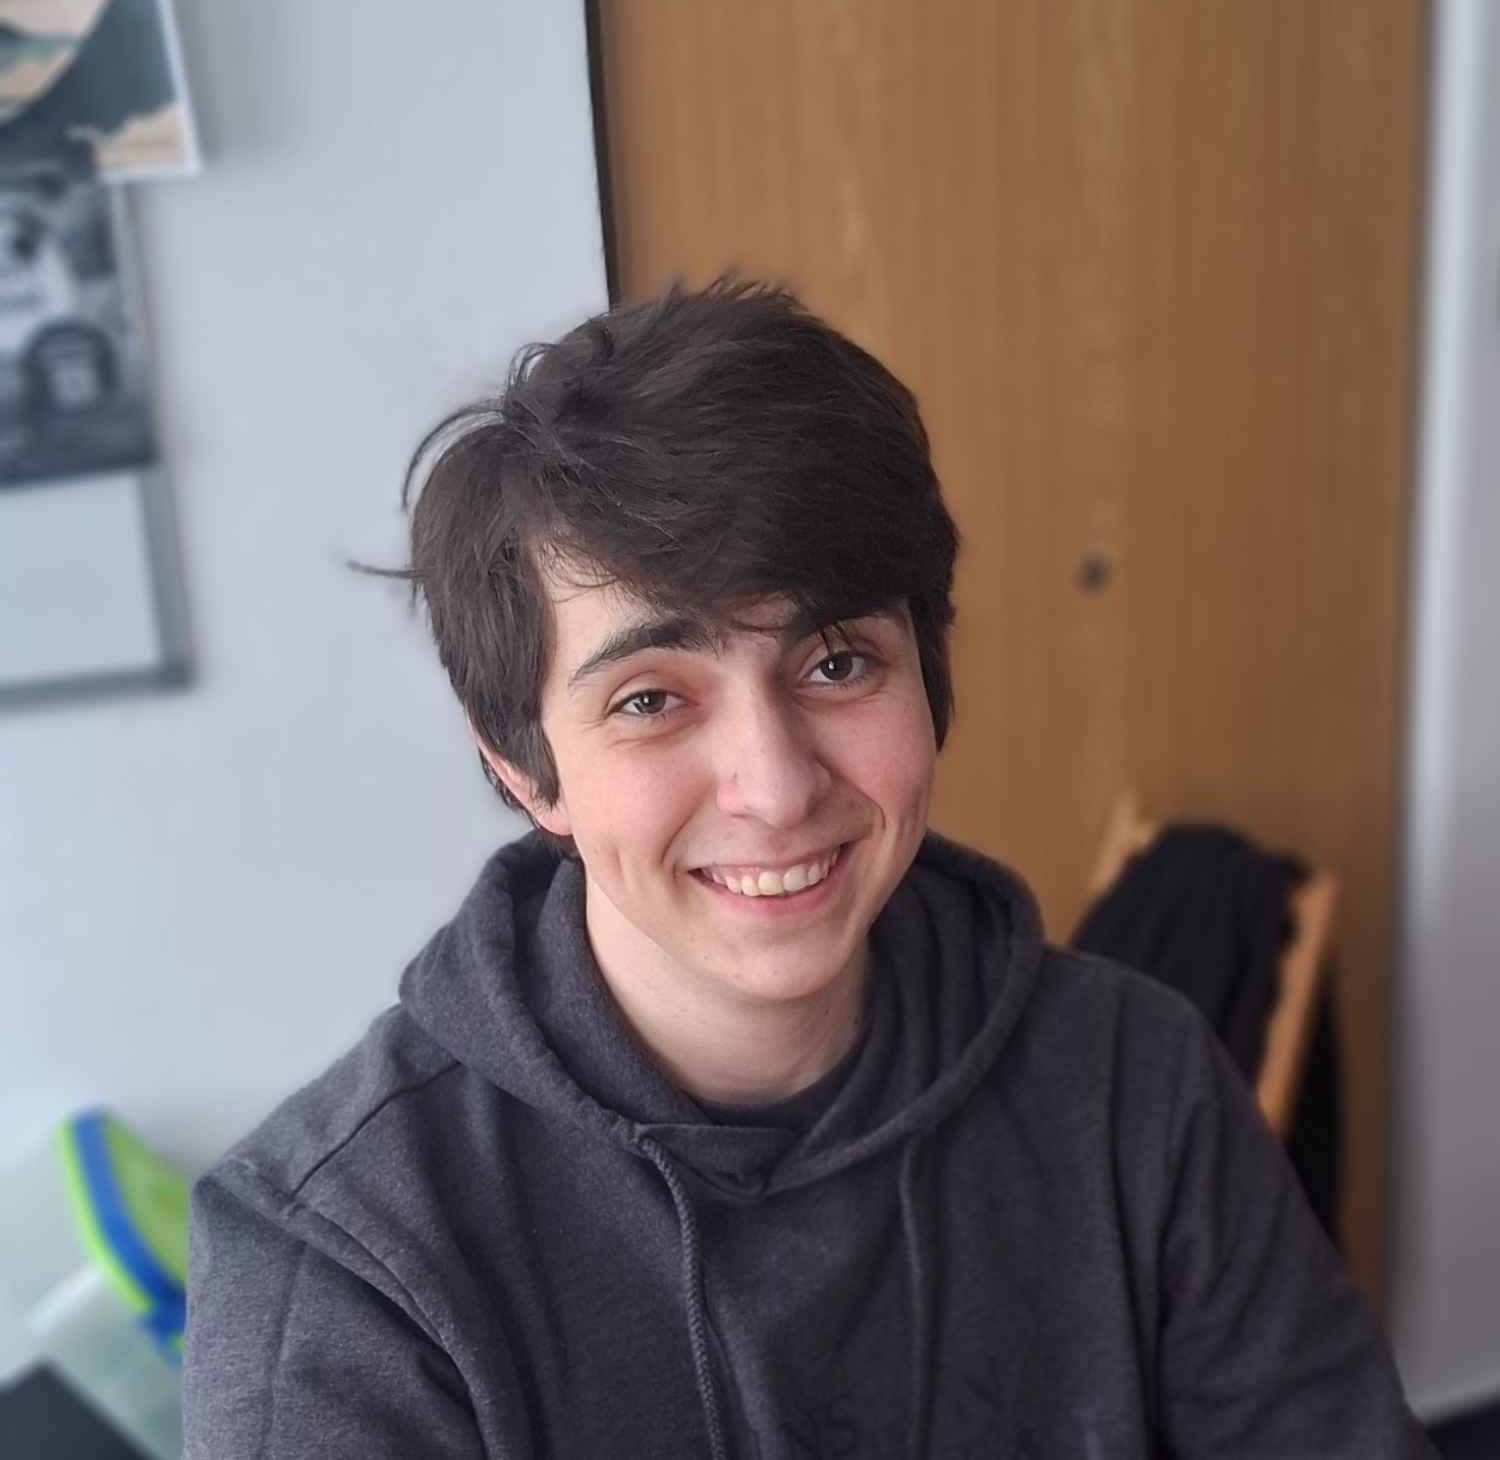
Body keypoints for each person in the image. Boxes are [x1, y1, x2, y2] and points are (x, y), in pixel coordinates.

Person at [182, 280, 1434, 1459]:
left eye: (836, 664)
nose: (776, 788)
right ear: (521, 765)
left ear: (933, 670)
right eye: (652, 699)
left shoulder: (1133, 1082)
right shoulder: (340, 1259)